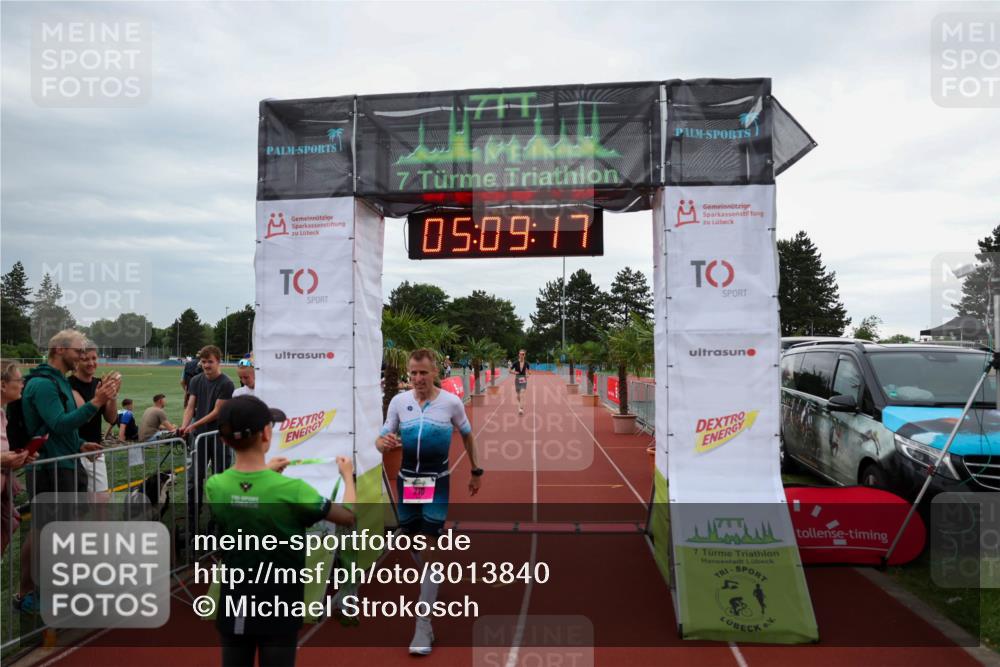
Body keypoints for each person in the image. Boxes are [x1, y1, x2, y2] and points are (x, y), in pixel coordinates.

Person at [206, 395, 355, 667]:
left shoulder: (216, 485)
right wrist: (347, 476)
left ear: (225, 440)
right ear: (266, 433)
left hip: (236, 599)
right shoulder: (293, 491)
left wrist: (266, 473)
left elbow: (242, 489)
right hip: (280, 603)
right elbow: (348, 516)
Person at [376, 348, 483, 655]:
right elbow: (382, 436)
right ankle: (432, 580)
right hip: (409, 481)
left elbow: (468, 435)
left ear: (435, 372)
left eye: (423, 372)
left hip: (437, 481)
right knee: (413, 541)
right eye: (413, 373)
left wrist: (476, 470)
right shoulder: (399, 402)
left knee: (428, 544)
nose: (418, 378)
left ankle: (423, 626)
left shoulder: (450, 402)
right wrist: (383, 442)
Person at [14, 329, 120, 614]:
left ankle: (45, 590)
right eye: (77, 350)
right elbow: (59, 423)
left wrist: (81, 443)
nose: (81, 355)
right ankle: (30, 593)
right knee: (45, 532)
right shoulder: (45, 384)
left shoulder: (56, 381)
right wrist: (96, 401)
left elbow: (59, 430)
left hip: (64, 462)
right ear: (60, 350)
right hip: (52, 468)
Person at [181, 345, 235, 532]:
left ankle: (219, 523)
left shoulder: (226, 383)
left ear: (218, 361)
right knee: (194, 479)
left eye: (210, 362)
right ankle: (192, 521)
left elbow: (217, 411)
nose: (206, 365)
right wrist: (184, 425)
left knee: (219, 480)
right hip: (200, 439)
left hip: (219, 438)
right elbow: (190, 406)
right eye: (203, 362)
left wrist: (194, 425)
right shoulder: (196, 380)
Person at [68, 345, 118, 492]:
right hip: (75, 451)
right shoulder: (69, 384)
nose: (91, 363)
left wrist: (113, 395)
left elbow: (111, 418)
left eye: (94, 358)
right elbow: (84, 418)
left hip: (95, 451)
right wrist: (101, 398)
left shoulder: (99, 383)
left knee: (101, 501)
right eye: (85, 359)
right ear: (77, 361)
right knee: (78, 505)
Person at [1, 360, 38, 553]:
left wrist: (18, 457)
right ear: (3, 384)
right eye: (19, 379)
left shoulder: (2, 414)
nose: (23, 383)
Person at [512, 349, 530, 415]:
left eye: (523, 354)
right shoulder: (515, 363)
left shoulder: (527, 363)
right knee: (518, 395)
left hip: (524, 379)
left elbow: (528, 371)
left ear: (524, 355)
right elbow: (509, 370)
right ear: (519, 355)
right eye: (520, 354)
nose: (522, 355)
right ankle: (520, 404)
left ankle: (521, 408)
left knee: (522, 393)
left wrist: (528, 374)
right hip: (517, 379)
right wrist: (514, 372)